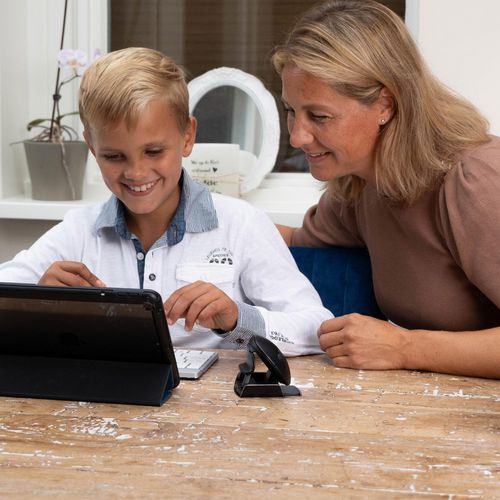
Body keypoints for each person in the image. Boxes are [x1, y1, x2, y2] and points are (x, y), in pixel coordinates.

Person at [0, 47, 332, 356]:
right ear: (91, 147)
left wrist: (235, 317)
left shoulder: (242, 225)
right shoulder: (78, 233)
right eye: (114, 156)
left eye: (154, 151)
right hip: (107, 397)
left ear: (188, 136)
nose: (136, 172)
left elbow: (316, 326)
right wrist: (35, 303)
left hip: (215, 400)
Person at [271, 0, 500, 377]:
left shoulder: (475, 181)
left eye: (319, 116)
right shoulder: (361, 184)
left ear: (385, 104)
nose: (297, 137)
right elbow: (294, 240)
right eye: (291, 111)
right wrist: (185, 220)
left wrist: (404, 348)